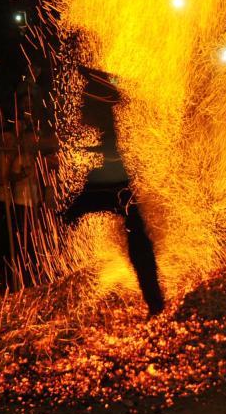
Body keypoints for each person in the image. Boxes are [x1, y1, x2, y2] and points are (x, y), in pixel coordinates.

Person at [63, 66, 165, 316]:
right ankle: (155, 300)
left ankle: (155, 302)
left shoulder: (105, 114)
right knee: (136, 234)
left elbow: (119, 88)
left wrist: (89, 73)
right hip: (114, 183)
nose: (80, 107)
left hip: (113, 184)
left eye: (84, 102)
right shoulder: (104, 119)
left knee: (133, 235)